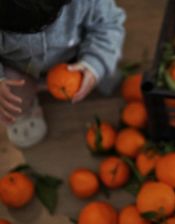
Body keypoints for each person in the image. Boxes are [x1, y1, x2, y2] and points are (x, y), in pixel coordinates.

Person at [0, 0, 125, 148]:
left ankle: (96, 65)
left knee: (104, 62)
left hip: (73, 58)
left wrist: (94, 64)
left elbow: (108, 24)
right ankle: (24, 110)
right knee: (11, 98)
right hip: (17, 70)